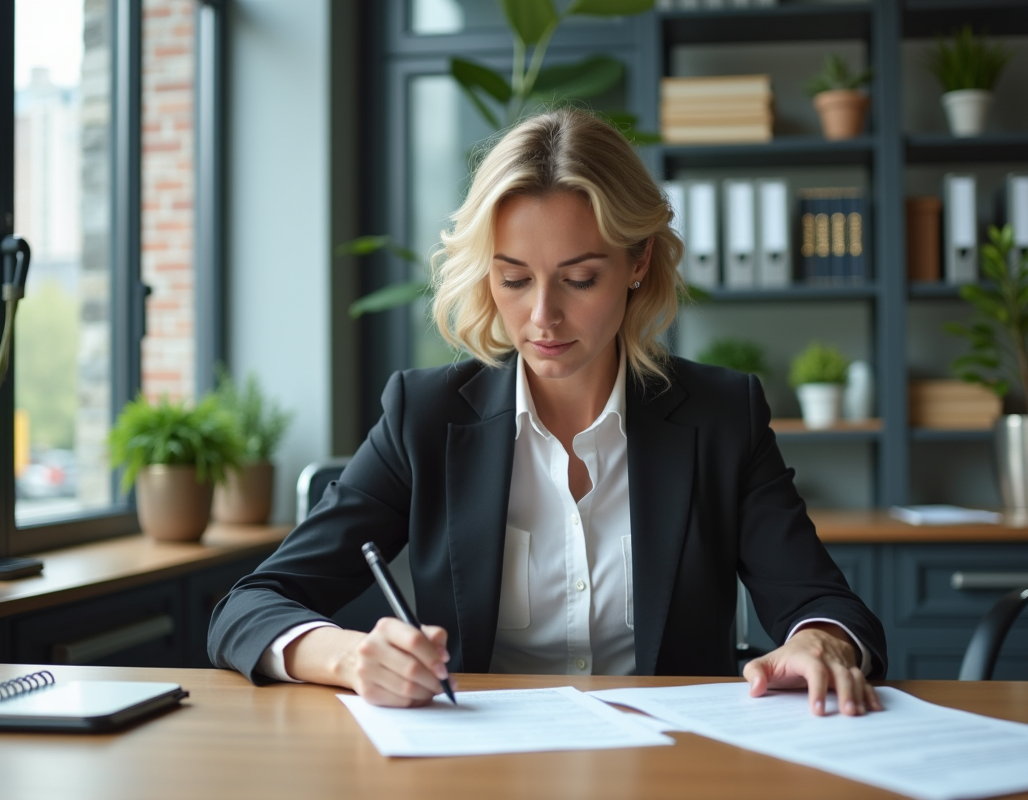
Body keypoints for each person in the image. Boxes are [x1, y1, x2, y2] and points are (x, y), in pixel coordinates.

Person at [208, 108, 887, 716]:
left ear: (638, 261)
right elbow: (248, 607)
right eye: (513, 279)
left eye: (580, 278)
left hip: (675, 775)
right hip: (478, 774)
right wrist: (350, 658)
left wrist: (819, 643)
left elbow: (825, 607)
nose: (541, 317)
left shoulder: (720, 416)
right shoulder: (425, 415)